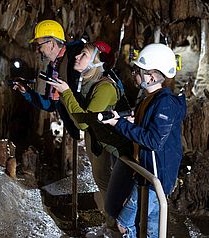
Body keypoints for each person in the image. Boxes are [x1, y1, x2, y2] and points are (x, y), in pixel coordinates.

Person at [46, 41, 134, 235]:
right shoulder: (89, 83)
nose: (77, 57)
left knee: (108, 184)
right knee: (102, 180)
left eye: (84, 55)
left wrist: (66, 93)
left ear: (98, 62)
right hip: (101, 141)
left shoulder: (104, 88)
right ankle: (111, 224)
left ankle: (118, 228)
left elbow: (85, 122)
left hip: (115, 145)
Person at [102, 43, 187, 237]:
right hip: (147, 173)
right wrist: (131, 120)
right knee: (151, 228)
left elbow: (154, 140)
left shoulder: (165, 103)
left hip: (156, 178)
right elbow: (149, 127)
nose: (134, 74)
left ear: (151, 76)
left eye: (137, 70)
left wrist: (119, 124)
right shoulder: (150, 99)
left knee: (125, 224)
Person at [12, 19, 83, 140]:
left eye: (39, 45)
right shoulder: (53, 67)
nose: (38, 50)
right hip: (79, 126)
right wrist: (27, 91)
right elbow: (50, 104)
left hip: (97, 124)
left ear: (51, 43)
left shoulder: (76, 59)